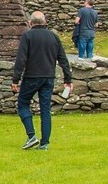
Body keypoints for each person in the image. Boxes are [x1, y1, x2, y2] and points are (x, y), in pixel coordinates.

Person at [13, 11, 75, 151]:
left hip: (31, 76)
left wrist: (15, 80)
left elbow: (21, 59)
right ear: (45, 21)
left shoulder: (27, 36)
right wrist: (68, 79)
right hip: (48, 77)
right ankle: (45, 143)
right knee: (45, 110)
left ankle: (31, 136)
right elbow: (63, 59)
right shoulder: (53, 36)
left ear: (31, 23)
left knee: (23, 104)